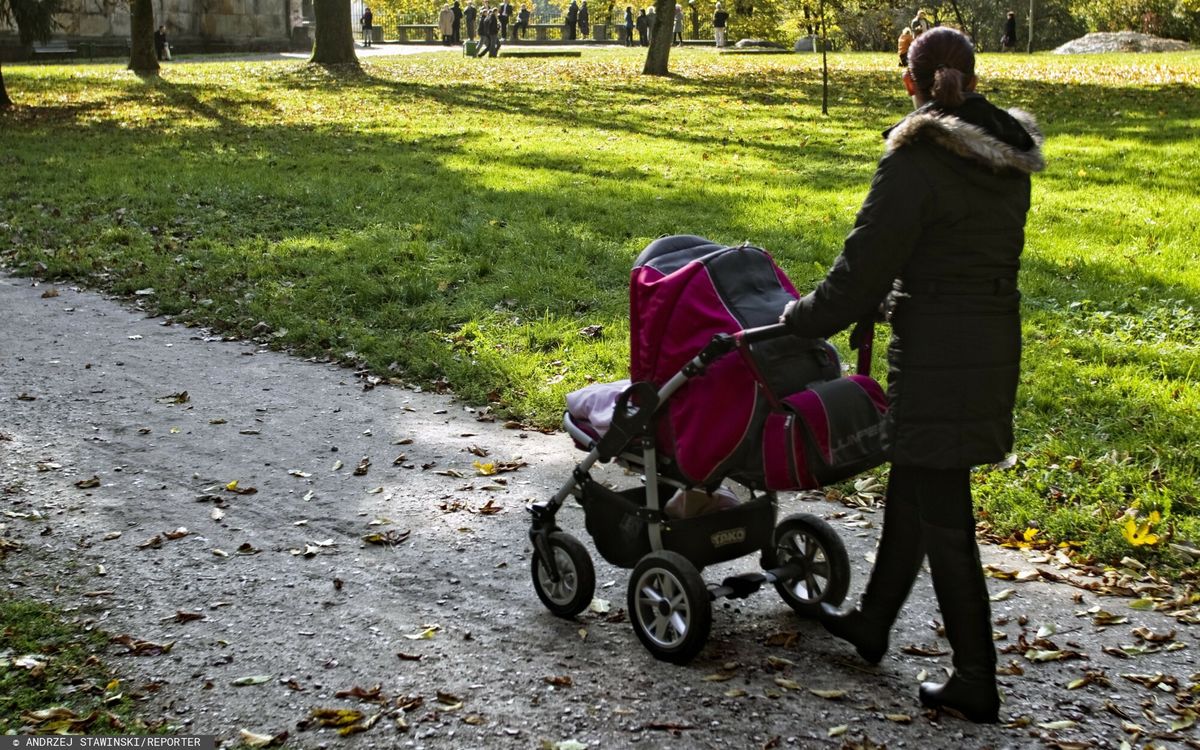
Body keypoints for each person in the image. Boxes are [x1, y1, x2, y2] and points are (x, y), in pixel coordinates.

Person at [780, 27, 1044, 724]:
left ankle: (974, 677)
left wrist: (797, 320)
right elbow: (944, 252)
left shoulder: (916, 160)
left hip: (935, 349)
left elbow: (861, 268)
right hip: (990, 340)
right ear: (975, 80)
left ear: (909, 82)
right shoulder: (1007, 157)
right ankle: (872, 621)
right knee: (921, 472)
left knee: (946, 515)